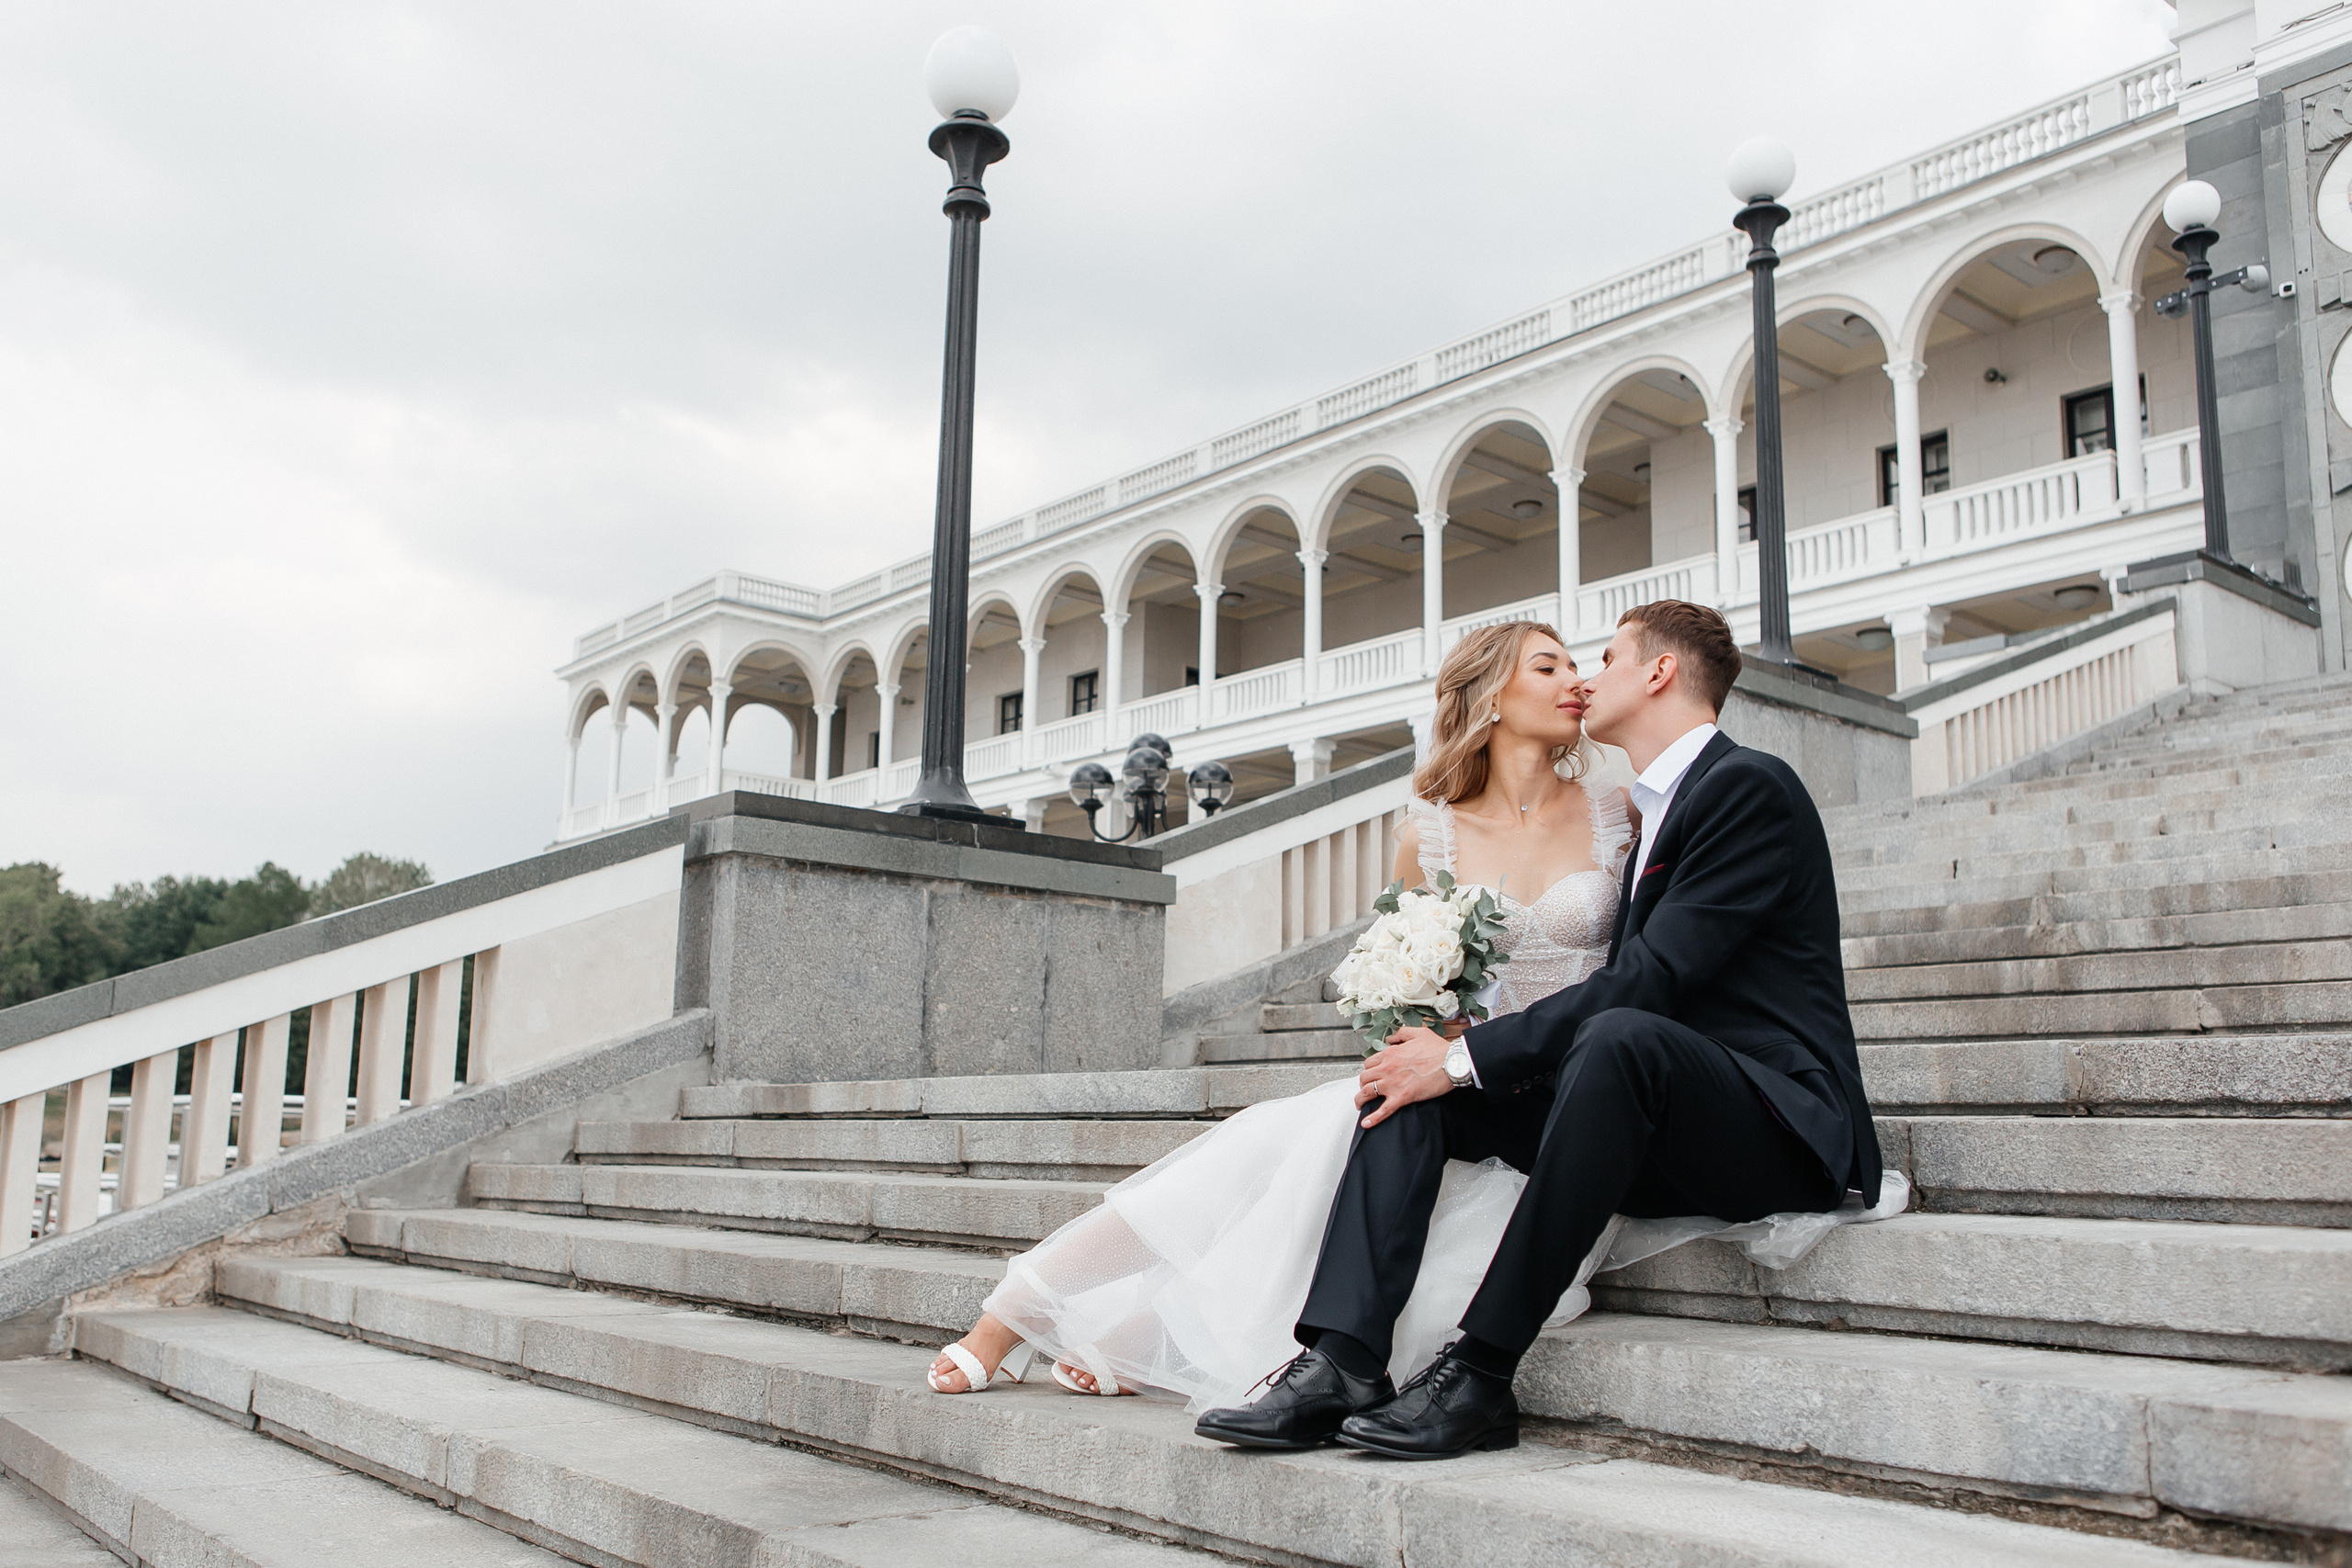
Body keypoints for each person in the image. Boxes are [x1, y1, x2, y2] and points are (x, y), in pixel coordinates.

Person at [1189, 599, 1883, 1459]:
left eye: (1605, 657)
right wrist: (1440, 1057)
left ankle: (1479, 1373)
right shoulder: (1651, 804)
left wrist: (1470, 1054)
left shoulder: (1746, 786)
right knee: (1407, 1088)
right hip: (1651, 1116)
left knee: (1611, 1033)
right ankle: (1341, 1359)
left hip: (1774, 1124)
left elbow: (1651, 982)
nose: (1587, 679)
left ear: (1659, 671)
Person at [924, 619, 1634, 1404]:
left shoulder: (1617, 815)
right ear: (1491, 696)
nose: (1578, 679)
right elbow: (1402, 981)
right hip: (1452, 1082)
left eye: (1577, 664)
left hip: (1560, 1097)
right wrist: (1433, 1031)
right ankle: (1015, 1309)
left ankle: (1142, 1338)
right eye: (1550, 665)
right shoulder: (1427, 834)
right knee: (1286, 1140)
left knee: (1427, 1265)